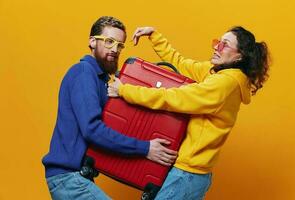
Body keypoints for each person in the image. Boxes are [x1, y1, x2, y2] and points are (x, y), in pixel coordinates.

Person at [108, 26, 270, 199]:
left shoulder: (225, 84)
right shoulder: (218, 73)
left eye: (225, 45)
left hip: (188, 174)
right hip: (191, 172)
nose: (216, 47)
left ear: (239, 56)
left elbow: (173, 98)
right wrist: (154, 36)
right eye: (217, 42)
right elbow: (182, 64)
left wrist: (124, 90)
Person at [42, 17, 177, 200]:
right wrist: (146, 148)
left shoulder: (101, 80)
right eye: (109, 42)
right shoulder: (84, 73)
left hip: (76, 177)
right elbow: (93, 130)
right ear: (92, 41)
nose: (115, 49)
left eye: (120, 45)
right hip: (68, 178)